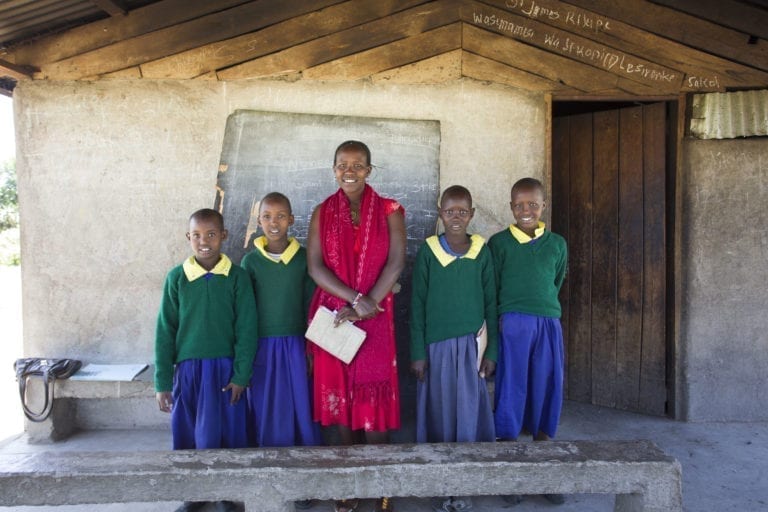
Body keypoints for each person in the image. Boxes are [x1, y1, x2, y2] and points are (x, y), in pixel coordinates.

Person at [306, 140, 406, 512]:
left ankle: (380, 483)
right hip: (334, 318)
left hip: (376, 319)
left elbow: (396, 262)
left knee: (373, 401)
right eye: (342, 164)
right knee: (340, 406)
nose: (350, 171)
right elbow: (314, 267)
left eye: (358, 165)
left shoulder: (390, 210)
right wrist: (352, 301)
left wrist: (369, 305)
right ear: (333, 169)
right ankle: (346, 483)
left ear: (369, 170)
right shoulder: (321, 212)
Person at [154, 208, 258, 512]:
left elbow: (247, 328)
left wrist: (241, 375)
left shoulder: (237, 277)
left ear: (224, 236)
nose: (204, 241)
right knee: (189, 432)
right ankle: (195, 493)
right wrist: (162, 382)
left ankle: (228, 492)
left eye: (211, 234)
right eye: (197, 235)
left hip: (226, 371)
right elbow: (164, 331)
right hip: (188, 372)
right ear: (188, 237)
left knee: (229, 432)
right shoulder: (177, 278)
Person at [411, 185, 498, 512]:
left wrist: (492, 353)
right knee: (440, 412)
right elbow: (417, 304)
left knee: (468, 411)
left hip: (471, 347)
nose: (456, 217)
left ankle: (466, 483)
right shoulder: (429, 252)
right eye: (450, 211)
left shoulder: (482, 252)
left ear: (472, 214)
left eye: (463, 211)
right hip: (435, 350)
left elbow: (491, 303)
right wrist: (418, 352)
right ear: (440, 214)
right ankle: (439, 481)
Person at [488, 177, 568, 506]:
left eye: (533, 204)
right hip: (513, 325)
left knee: (546, 389)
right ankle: (510, 476)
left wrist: (542, 312)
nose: (526, 210)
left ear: (543, 206)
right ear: (510, 207)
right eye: (519, 205)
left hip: (548, 322)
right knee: (511, 391)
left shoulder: (557, 244)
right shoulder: (499, 244)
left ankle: (545, 473)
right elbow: (491, 289)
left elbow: (556, 280)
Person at [240, 192, 322, 449]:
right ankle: (268, 453)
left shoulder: (303, 258)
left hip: (297, 342)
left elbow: (312, 304)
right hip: (262, 344)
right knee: (266, 400)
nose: (273, 223)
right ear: (259, 220)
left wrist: (311, 348)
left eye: (280, 216)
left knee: (300, 397)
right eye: (266, 216)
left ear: (292, 220)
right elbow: (246, 311)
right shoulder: (250, 262)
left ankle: (306, 454)